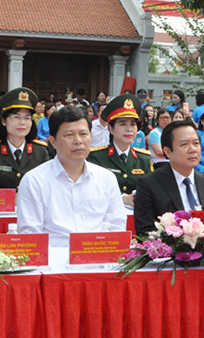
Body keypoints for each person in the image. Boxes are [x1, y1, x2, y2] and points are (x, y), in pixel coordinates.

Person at [17, 105, 127, 245]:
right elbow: (30, 235)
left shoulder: (106, 178)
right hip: (53, 261)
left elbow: (116, 228)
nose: (78, 141)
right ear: (53, 142)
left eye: (83, 134)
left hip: (98, 259)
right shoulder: (34, 180)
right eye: (69, 135)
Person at [133, 119, 204, 234]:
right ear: (168, 151)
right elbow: (145, 231)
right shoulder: (149, 184)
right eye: (184, 144)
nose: (192, 149)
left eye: (196, 143)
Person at [0, 87, 50, 190]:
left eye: (27, 118)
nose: (22, 122)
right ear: (4, 121)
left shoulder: (40, 151)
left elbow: (46, 187)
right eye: (16, 117)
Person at [87, 94, 152, 205]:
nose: (129, 129)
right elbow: (91, 192)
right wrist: (122, 198)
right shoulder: (96, 157)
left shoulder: (144, 159)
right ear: (111, 129)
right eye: (123, 124)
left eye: (133, 124)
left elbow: (149, 192)